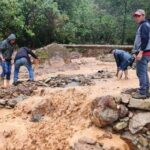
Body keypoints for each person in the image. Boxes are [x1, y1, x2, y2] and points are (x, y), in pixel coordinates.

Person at [132, 9, 150, 99]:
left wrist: (140, 52)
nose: (136, 18)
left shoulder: (144, 25)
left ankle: (142, 92)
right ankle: (146, 91)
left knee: (141, 72)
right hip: (145, 53)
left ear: (143, 15)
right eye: (135, 16)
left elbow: (145, 39)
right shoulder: (144, 25)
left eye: (138, 16)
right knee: (144, 72)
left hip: (144, 53)